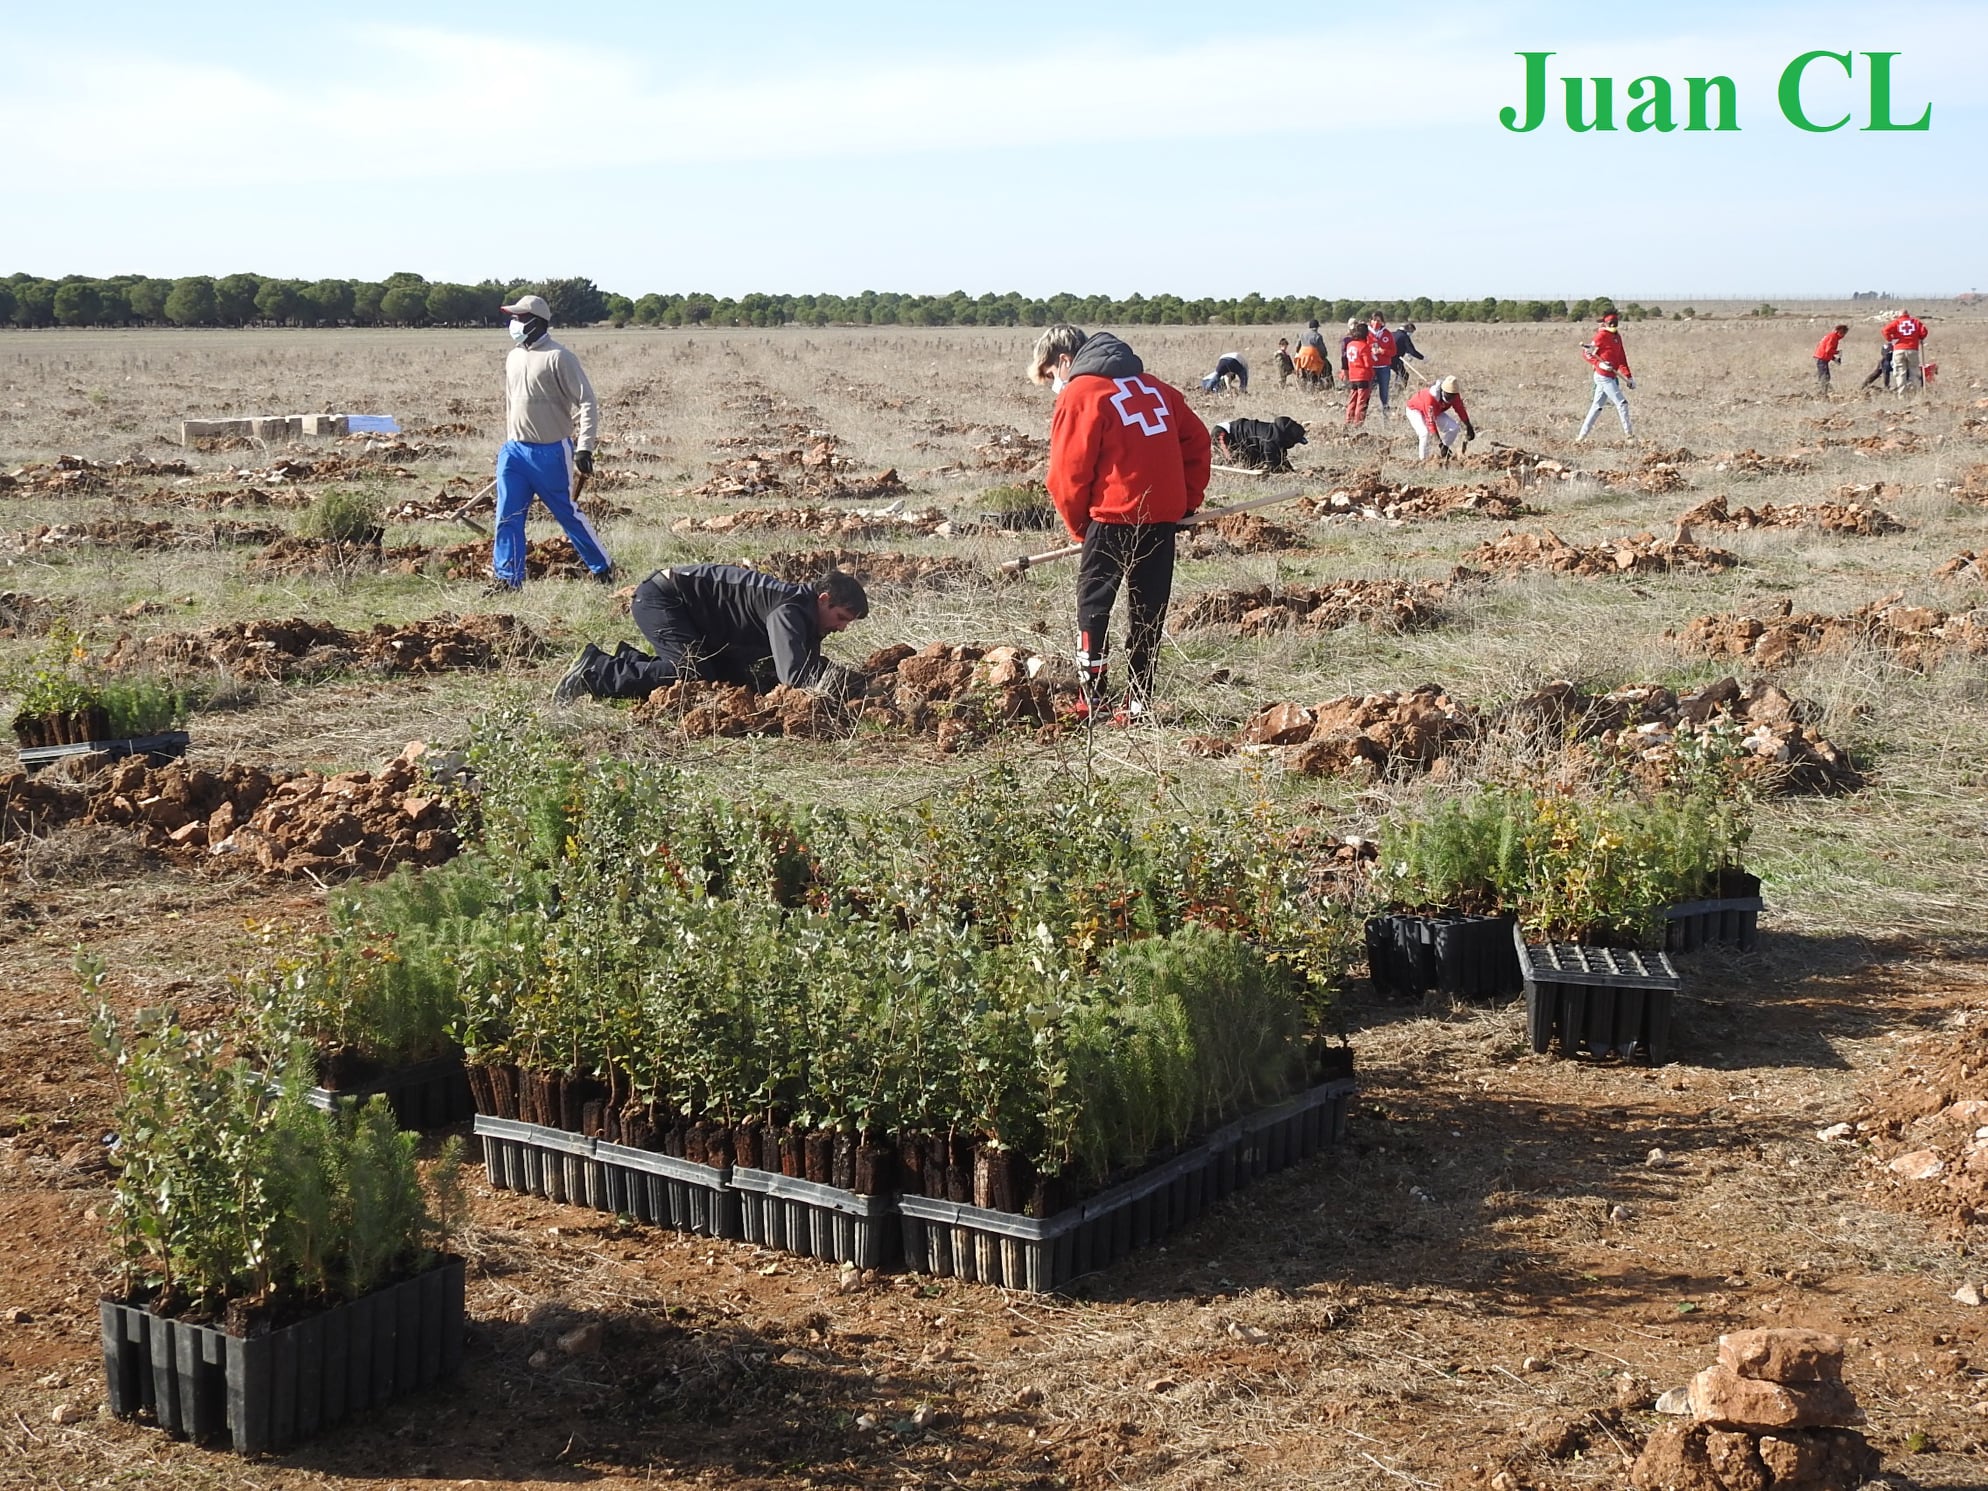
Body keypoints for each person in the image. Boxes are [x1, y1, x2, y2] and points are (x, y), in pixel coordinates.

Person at [1030, 323, 1210, 724]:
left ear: (1065, 363)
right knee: (1150, 608)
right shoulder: (1158, 388)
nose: (1052, 385)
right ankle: (1139, 702)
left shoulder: (1081, 394)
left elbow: (1066, 474)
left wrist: (1081, 529)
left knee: (1094, 607)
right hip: (1161, 521)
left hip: (1110, 520)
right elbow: (1198, 441)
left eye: (1049, 376)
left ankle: (1091, 700)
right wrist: (1185, 504)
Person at [554, 565, 867, 704]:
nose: (841, 628)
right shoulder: (789, 609)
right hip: (663, 598)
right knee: (692, 673)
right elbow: (794, 676)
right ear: (823, 600)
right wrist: (843, 690)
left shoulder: (809, 616)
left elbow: (806, 664)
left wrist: (857, 685)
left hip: (692, 617)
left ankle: (627, 663)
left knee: (723, 675)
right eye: (841, 618)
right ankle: (596, 671)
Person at [490, 293, 615, 591]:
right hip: (514, 451)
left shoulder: (559, 357)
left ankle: (603, 567)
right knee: (507, 517)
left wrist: (585, 446)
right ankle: (508, 580)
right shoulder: (514, 356)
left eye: (519, 318)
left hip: (550, 452)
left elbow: (586, 401)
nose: (514, 323)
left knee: (566, 513)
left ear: (536, 322)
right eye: (513, 318)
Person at [1575, 310, 1634, 441]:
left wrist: (1628, 376)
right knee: (1622, 403)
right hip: (1602, 376)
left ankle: (1580, 438)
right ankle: (1630, 436)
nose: (1613, 325)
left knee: (1596, 408)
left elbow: (1622, 358)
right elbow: (1587, 353)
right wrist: (1599, 364)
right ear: (1605, 323)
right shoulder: (1600, 336)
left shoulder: (1617, 337)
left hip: (1612, 376)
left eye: (1615, 323)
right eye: (1611, 323)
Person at [1404, 375, 1475, 461]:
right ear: (1442, 391)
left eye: (1453, 396)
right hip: (1415, 410)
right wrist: (1439, 444)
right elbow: (1431, 423)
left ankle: (1443, 452)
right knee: (1424, 433)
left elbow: (1460, 410)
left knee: (1454, 428)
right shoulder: (1431, 398)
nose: (1450, 398)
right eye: (1448, 395)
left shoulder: (1455, 396)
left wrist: (1468, 426)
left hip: (1436, 411)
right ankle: (1423, 460)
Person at [1214, 415, 1307, 471]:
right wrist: (1289, 474)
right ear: (1289, 438)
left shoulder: (1276, 436)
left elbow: (1281, 458)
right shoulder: (1271, 440)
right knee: (1230, 461)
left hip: (1241, 440)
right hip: (1224, 432)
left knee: (1254, 463)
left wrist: (1291, 471)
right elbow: (1274, 463)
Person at [1882, 310, 1929, 391]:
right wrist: (1920, 337)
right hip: (1912, 349)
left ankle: (1901, 394)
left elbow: (1885, 330)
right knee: (1914, 371)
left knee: (1900, 373)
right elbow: (1924, 331)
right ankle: (1916, 392)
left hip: (1898, 350)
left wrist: (1891, 339)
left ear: (1899, 315)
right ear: (1908, 314)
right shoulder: (1915, 322)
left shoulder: (1896, 322)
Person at [1342, 324, 1375, 426]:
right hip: (1363, 376)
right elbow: (1367, 364)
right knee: (1361, 401)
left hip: (1353, 376)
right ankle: (1358, 423)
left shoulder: (1350, 344)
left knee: (1352, 400)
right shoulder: (1364, 346)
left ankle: (1348, 421)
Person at [1367, 313, 1398, 418]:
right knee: (1367, 392)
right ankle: (1363, 414)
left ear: (1382, 322)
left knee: (1384, 392)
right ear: (1370, 321)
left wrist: (1382, 351)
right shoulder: (1366, 333)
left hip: (1384, 367)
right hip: (1370, 367)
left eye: (1379, 320)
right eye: (1374, 320)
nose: (1376, 323)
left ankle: (1385, 415)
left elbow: (1393, 351)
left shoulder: (1387, 334)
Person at [1294, 320, 1332, 390]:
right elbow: (1322, 349)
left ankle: (1303, 385)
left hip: (1302, 358)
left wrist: (1298, 353)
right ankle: (1329, 386)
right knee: (1328, 366)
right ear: (1317, 327)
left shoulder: (1302, 334)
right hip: (1313, 358)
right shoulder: (1318, 336)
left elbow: (1297, 346)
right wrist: (1324, 356)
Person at [1813, 324, 1849, 388]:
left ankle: (1824, 390)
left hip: (1821, 357)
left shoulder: (1832, 336)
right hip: (1821, 358)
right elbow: (1828, 350)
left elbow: (1827, 351)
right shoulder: (1833, 338)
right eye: (1843, 333)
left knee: (1824, 376)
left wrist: (1834, 359)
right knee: (1825, 377)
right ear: (1840, 332)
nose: (1844, 335)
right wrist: (1837, 352)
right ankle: (1822, 392)